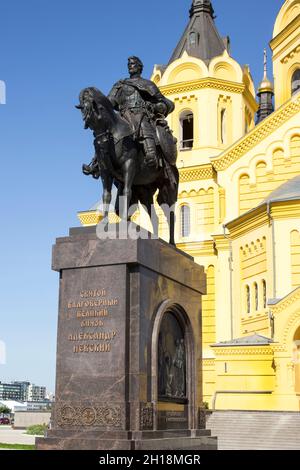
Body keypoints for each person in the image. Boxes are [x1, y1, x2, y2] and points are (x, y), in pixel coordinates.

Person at [107, 56, 175, 168]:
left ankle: (151, 154)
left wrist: (158, 107)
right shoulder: (121, 84)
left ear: (139, 67)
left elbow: (162, 100)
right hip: (123, 115)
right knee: (107, 132)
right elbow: (110, 102)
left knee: (143, 123)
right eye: (129, 64)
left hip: (140, 113)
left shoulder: (147, 84)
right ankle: (98, 162)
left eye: (133, 64)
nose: (130, 66)